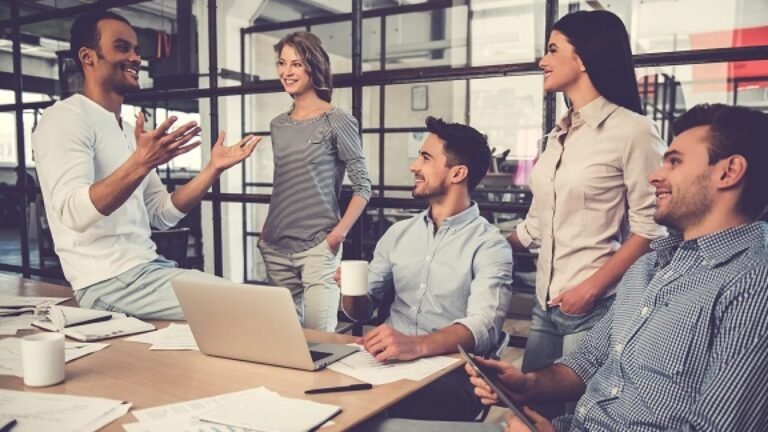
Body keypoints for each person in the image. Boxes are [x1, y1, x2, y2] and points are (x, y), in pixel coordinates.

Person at [369, 103, 768, 432]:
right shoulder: (648, 269)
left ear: (729, 172)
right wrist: (526, 384)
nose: (655, 175)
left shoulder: (752, 282)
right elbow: (588, 362)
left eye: (674, 162)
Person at [32, 11, 259, 320]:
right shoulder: (65, 118)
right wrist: (140, 163)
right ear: (88, 57)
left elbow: (161, 214)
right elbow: (73, 213)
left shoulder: (127, 131)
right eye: (122, 47)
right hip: (108, 281)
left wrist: (212, 169)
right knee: (256, 309)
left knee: (261, 309)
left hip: (148, 269)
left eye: (137, 50)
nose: (136, 57)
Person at [505, 10, 666, 416]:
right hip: (545, 305)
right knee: (530, 412)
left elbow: (651, 231)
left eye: (552, 50)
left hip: (596, 307)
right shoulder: (558, 136)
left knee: (581, 418)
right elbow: (536, 225)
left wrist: (590, 290)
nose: (542, 61)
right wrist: (477, 243)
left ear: (582, 58)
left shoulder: (633, 130)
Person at [342, 117, 514, 422]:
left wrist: (416, 346)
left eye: (425, 158)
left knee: (390, 412)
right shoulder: (398, 234)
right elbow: (362, 310)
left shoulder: (490, 245)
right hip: (385, 362)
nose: (414, 166)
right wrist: (351, 291)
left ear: (457, 173)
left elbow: (484, 325)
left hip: (451, 371)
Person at [257, 31, 372, 332]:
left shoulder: (338, 120)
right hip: (275, 246)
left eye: (296, 64)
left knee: (320, 341)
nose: (286, 71)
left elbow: (363, 187)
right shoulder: (278, 124)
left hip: (318, 248)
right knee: (283, 341)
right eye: (282, 63)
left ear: (313, 67)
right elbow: (284, 181)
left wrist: (337, 235)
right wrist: (266, 231)